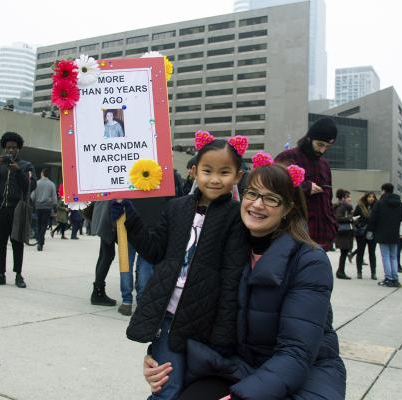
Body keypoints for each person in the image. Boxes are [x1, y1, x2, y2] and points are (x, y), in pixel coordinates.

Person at [143, 159, 346, 400]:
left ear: (288, 209)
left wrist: (240, 397)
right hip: (238, 366)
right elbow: (189, 312)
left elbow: (297, 352)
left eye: (271, 199)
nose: (257, 205)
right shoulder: (228, 245)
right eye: (253, 193)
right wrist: (158, 357)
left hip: (303, 374)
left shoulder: (310, 261)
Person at [114, 132, 250, 400]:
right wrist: (130, 219)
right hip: (168, 319)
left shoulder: (236, 216)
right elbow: (154, 251)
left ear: (237, 176)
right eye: (207, 170)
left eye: (224, 172)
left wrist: (223, 333)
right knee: (167, 388)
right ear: (194, 171)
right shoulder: (176, 207)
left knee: (190, 389)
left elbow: (232, 276)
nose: (214, 178)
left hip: (205, 324)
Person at [274, 117, 338, 250]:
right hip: (293, 234)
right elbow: (274, 186)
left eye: (327, 147)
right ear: (309, 138)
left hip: (321, 237)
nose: (322, 150)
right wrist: (304, 186)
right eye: (320, 144)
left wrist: (332, 225)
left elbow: (328, 199)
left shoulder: (324, 165)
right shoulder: (287, 157)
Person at [0, 132, 36, 288]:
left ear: (19, 149)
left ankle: (18, 275)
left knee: (17, 242)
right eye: (8, 148)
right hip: (0, 209)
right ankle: (1, 274)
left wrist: (18, 171)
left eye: (14, 148)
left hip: (17, 209)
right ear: (4, 148)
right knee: (0, 242)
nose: (10, 151)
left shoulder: (26, 166)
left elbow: (31, 186)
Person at [367, 183, 402, 288]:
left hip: (382, 232)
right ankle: (395, 278)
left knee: (385, 256)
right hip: (394, 233)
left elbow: (373, 218)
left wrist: (370, 230)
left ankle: (388, 278)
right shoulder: (399, 203)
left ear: (383, 191)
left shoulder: (380, 203)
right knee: (393, 256)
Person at [90, 201, 119, 306]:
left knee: (104, 254)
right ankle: (98, 292)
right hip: (107, 218)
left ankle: (97, 291)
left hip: (102, 216)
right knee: (107, 255)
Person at [351, 192, 377, 279]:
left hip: (372, 233)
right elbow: (355, 218)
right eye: (369, 197)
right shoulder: (360, 206)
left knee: (372, 253)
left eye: (373, 197)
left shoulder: (376, 207)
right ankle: (359, 272)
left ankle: (373, 273)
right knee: (360, 252)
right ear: (366, 198)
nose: (371, 198)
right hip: (361, 233)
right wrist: (359, 225)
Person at [31, 168, 57, 251]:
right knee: (44, 225)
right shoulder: (51, 184)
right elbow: (54, 199)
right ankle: (40, 242)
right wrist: (55, 209)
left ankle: (39, 240)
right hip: (47, 207)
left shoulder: (37, 183)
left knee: (38, 224)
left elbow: (32, 197)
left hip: (38, 207)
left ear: (42, 173)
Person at [334, 189, 354, 280]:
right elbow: (338, 218)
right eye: (348, 197)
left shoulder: (344, 206)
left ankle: (340, 271)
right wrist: (350, 218)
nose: (349, 199)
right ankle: (340, 272)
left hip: (344, 233)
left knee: (344, 253)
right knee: (344, 253)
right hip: (343, 233)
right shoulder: (343, 207)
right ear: (343, 198)